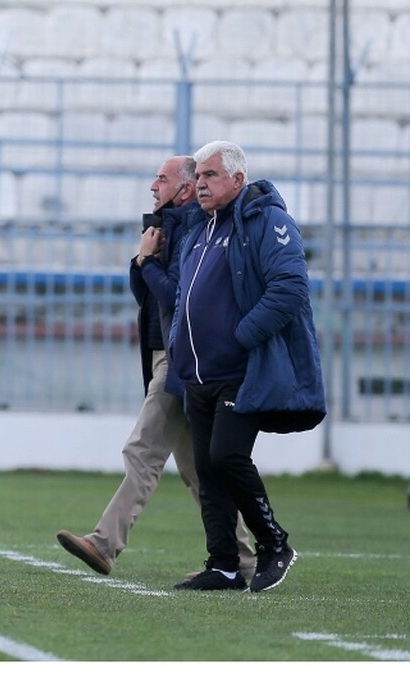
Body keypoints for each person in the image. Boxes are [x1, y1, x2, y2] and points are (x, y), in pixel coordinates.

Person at [56, 156, 257, 581]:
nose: (153, 185)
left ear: (185, 189)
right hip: (167, 355)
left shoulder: (191, 231)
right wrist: (142, 260)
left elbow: (176, 297)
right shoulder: (168, 228)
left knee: (143, 449)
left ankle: (105, 543)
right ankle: (242, 559)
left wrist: (148, 263)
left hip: (178, 358)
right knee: (197, 470)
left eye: (163, 179)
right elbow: (146, 297)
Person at [170, 140, 325, 592]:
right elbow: (184, 295)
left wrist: (240, 336)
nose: (200, 184)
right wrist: (181, 347)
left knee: (226, 456)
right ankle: (223, 564)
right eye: (197, 176)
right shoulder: (200, 227)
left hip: (242, 368)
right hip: (198, 374)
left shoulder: (267, 220)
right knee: (207, 469)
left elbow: (290, 287)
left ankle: (275, 544)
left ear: (237, 179)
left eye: (210, 176)